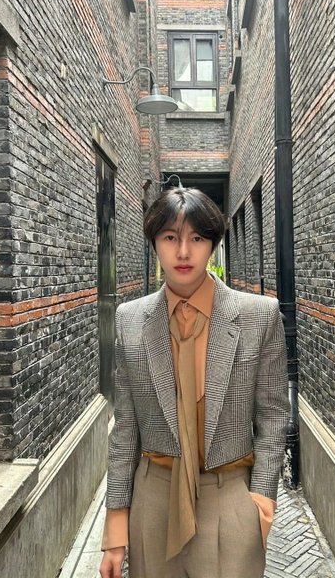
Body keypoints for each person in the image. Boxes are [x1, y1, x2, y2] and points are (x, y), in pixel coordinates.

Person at [99, 187, 289, 578]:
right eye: (171, 237)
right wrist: (116, 529)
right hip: (153, 499)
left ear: (213, 245)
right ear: (155, 243)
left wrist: (261, 502)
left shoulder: (260, 316)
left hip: (230, 496)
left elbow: (272, 416)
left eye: (197, 238)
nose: (183, 252)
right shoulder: (129, 320)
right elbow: (125, 428)